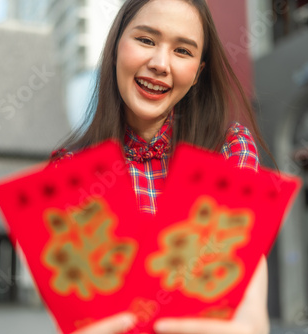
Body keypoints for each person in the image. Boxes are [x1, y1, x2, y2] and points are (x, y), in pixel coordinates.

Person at [50, 0, 271, 333]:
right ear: (115, 48)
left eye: (182, 51)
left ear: (198, 72)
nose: (160, 63)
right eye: (146, 40)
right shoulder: (69, 171)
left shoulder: (230, 149)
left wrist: (249, 325)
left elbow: (245, 279)